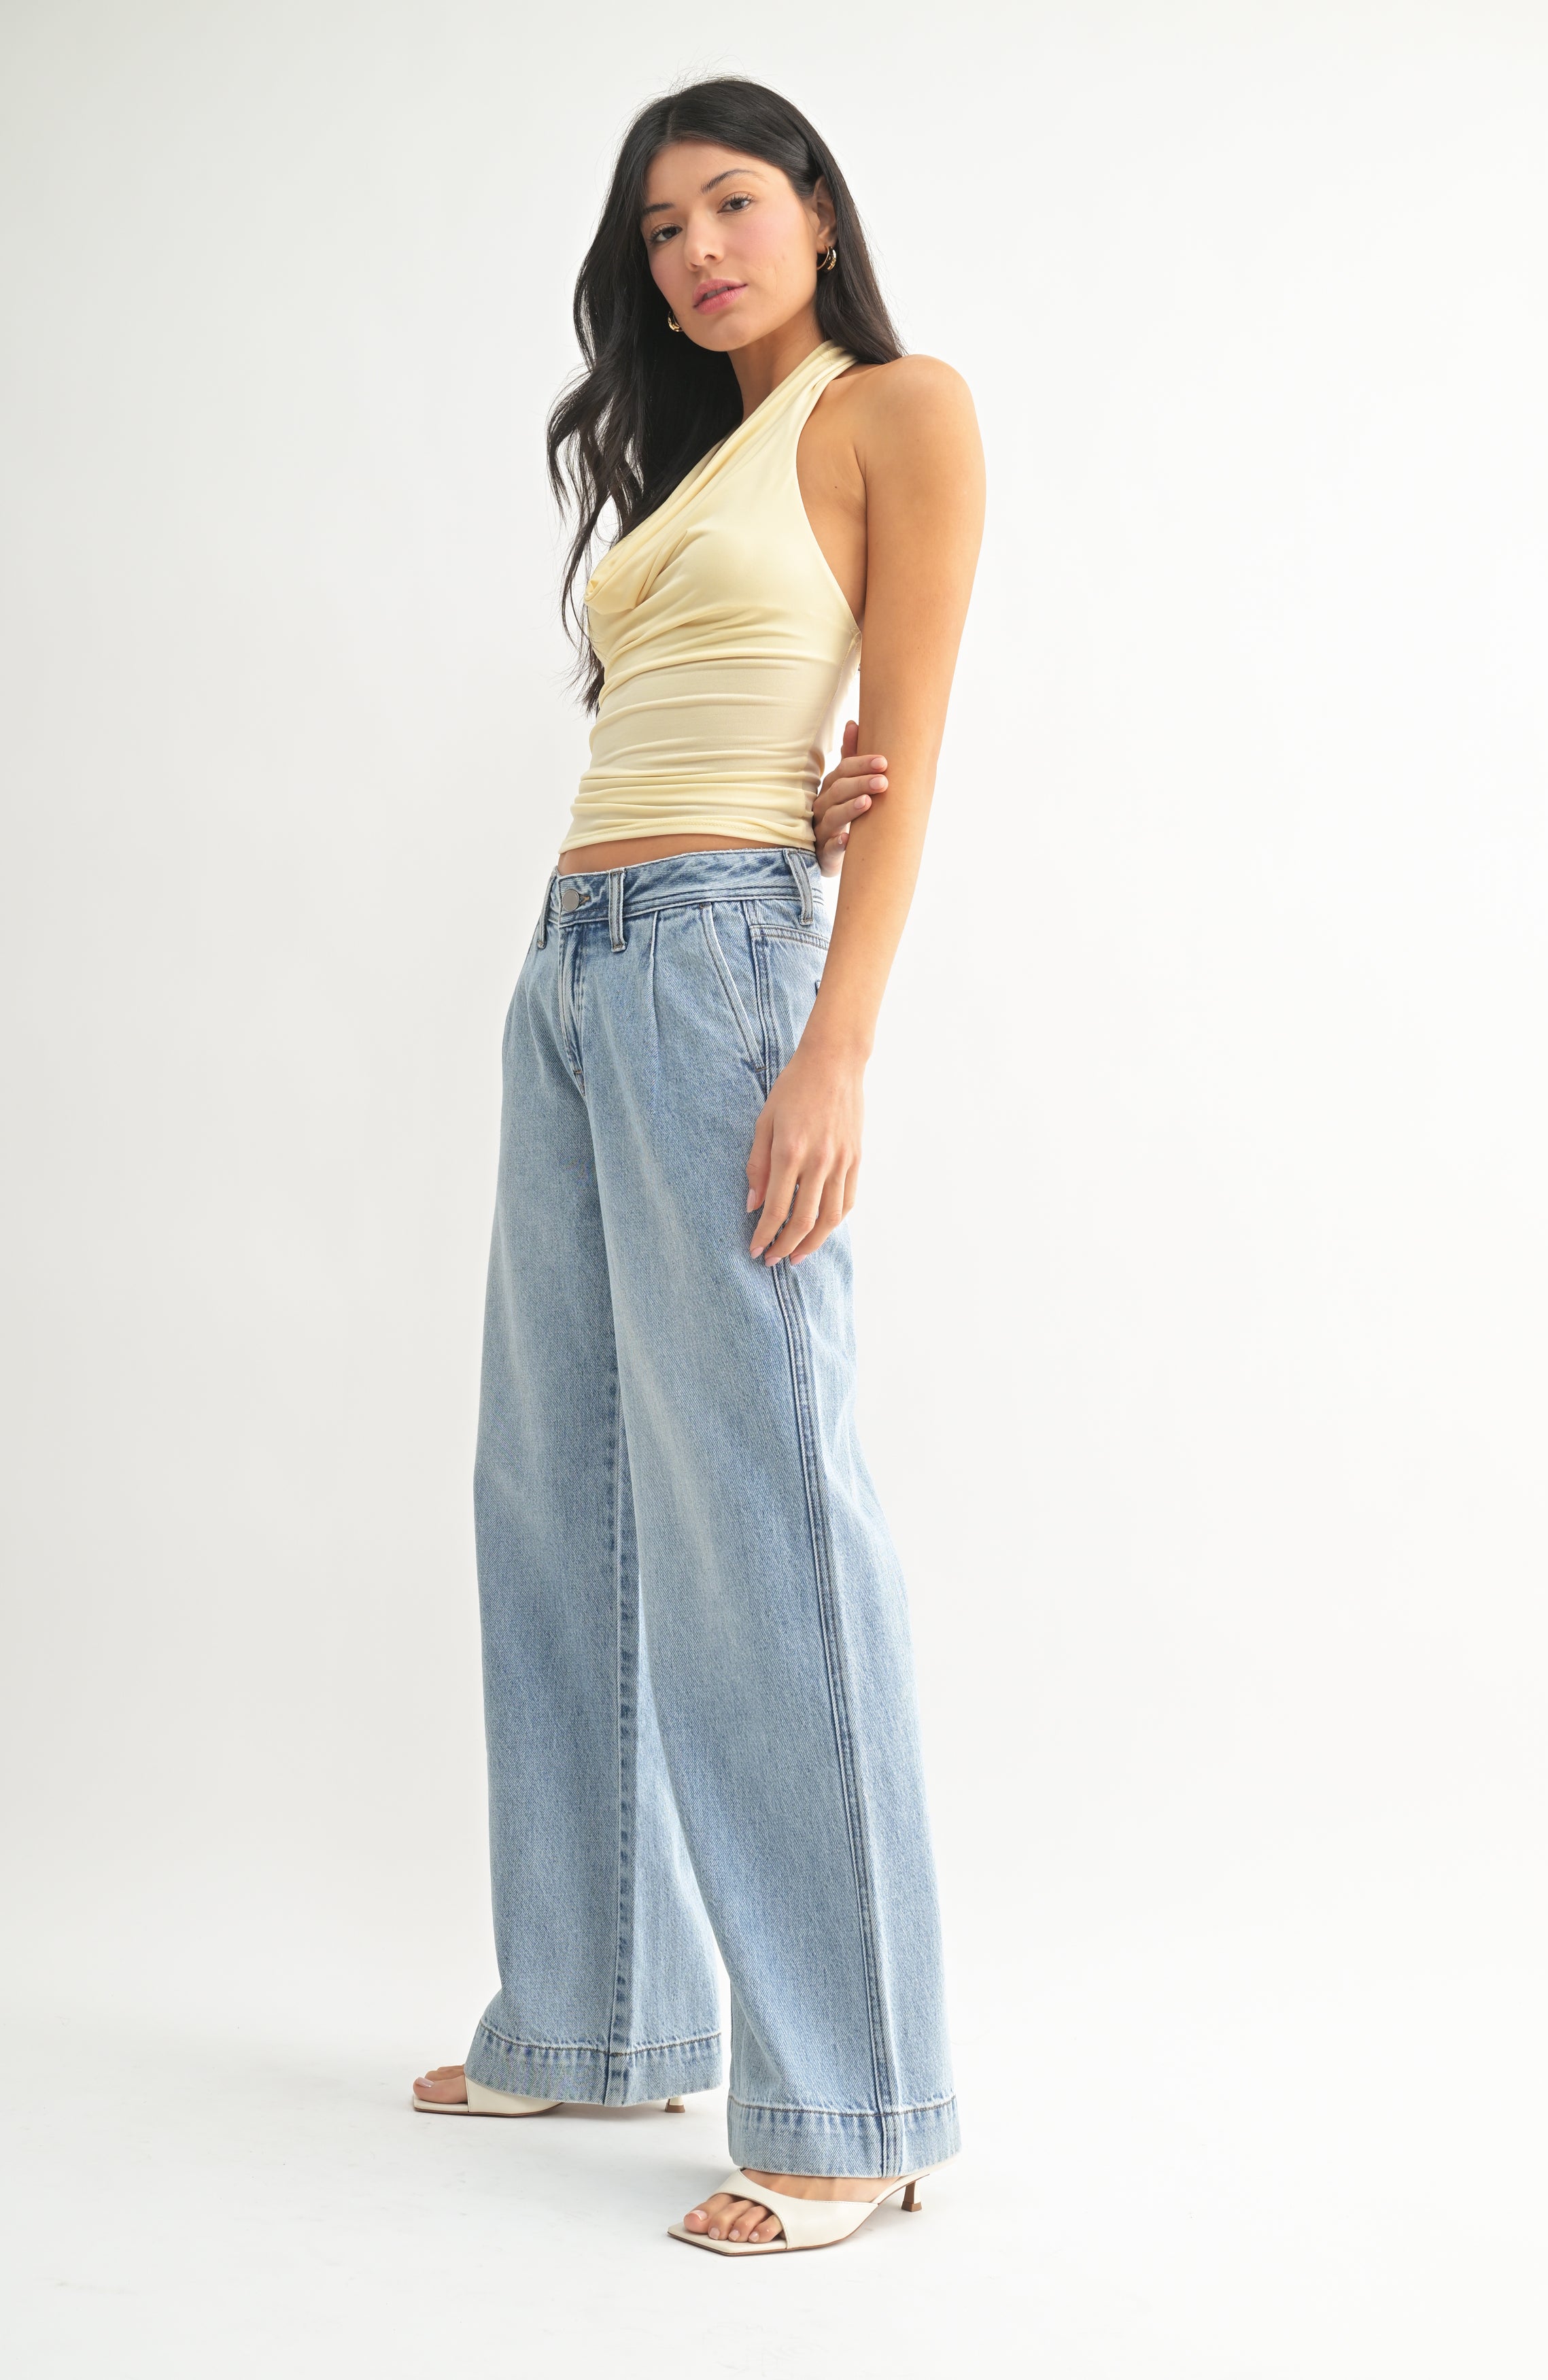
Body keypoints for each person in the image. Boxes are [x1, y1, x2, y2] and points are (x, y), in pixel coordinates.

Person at [411, 77, 984, 2256]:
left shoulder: (897, 410)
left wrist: (835, 1035)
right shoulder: (693, 463)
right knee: (558, 1487)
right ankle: (594, 2008)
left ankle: (850, 2097)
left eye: (732, 202)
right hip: (575, 965)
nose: (696, 251)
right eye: (659, 229)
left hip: (727, 969)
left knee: (756, 1496)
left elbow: (903, 742)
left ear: (818, 210)